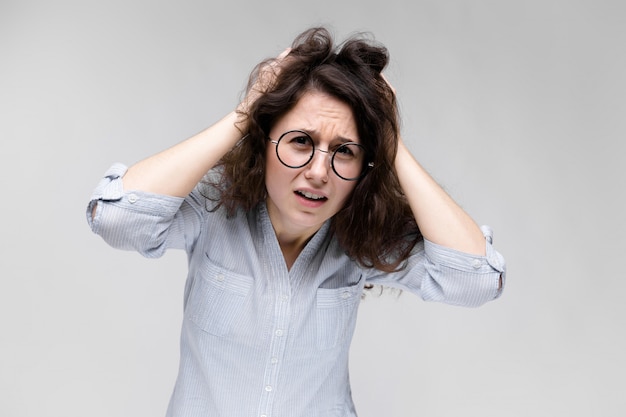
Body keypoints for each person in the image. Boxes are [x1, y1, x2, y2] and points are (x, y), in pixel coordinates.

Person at [87, 27, 505, 417]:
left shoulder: (360, 239)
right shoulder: (213, 210)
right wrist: (247, 110)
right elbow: (116, 218)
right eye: (301, 141)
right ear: (264, 143)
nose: (319, 172)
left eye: (344, 151)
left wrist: (391, 140)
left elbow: (475, 280)